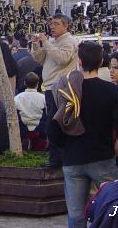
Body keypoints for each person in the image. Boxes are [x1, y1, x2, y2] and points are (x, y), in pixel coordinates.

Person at [47, 41, 118, 228]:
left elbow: (52, 128)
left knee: (76, 215)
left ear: (79, 61)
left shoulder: (65, 90)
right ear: (101, 61)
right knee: (115, 205)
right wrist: (113, 149)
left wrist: (64, 150)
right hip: (102, 156)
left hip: (72, 158)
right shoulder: (110, 90)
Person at [30, 14, 78, 168]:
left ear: (66, 26)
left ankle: (58, 159)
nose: (52, 27)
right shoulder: (51, 41)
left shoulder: (69, 41)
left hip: (61, 88)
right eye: (51, 24)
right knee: (52, 125)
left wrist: (46, 43)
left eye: (56, 24)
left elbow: (62, 58)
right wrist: (37, 44)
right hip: (50, 88)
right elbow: (39, 59)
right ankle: (56, 158)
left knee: (54, 125)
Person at [14, 72, 46, 151]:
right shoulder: (43, 98)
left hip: (23, 130)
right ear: (38, 83)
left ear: (24, 83)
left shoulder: (17, 98)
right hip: (40, 130)